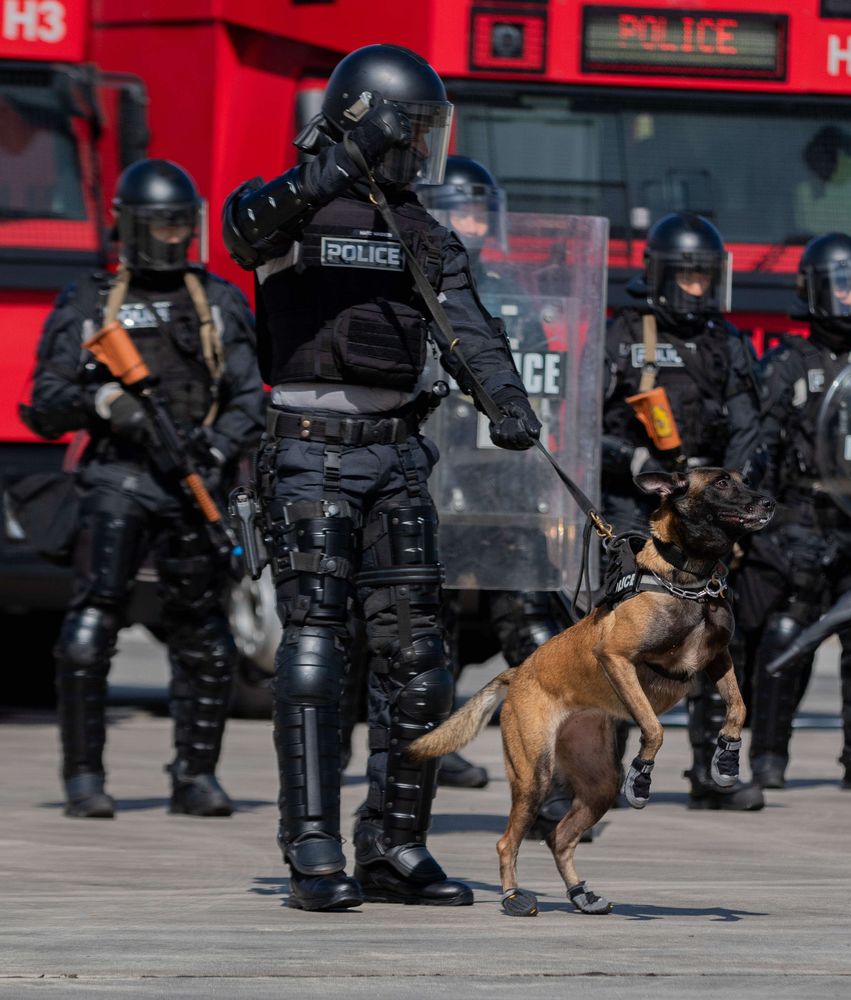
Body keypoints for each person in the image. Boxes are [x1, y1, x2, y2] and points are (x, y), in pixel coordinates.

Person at [222, 44, 538, 911]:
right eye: (414, 132)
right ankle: (313, 848)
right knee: (317, 653)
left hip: (398, 456)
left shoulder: (420, 230)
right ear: (374, 123)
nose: (423, 151)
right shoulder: (289, 212)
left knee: (422, 666)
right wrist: (332, 168)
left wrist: (508, 403)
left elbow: (470, 330)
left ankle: (393, 845)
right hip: (311, 454)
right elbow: (243, 227)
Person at [22, 158, 263, 819]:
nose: (166, 238)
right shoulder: (91, 301)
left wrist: (212, 450)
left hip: (195, 484)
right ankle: (83, 775)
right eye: (154, 226)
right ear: (126, 226)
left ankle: (195, 775)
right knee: (91, 625)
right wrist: (107, 402)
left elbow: (248, 399)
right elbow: (44, 402)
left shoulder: (217, 302)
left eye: (177, 226)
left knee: (206, 636)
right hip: (119, 479)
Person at [741, 232, 851, 794]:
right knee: (786, 634)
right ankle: (768, 756)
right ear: (815, 290)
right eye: (839, 284)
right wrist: (757, 526)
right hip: (800, 519)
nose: (850, 295)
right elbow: (760, 445)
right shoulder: (787, 365)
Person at [600, 211, 764, 811]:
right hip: (638, 508)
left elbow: (750, 427)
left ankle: (709, 771)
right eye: (688, 276)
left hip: (710, 516)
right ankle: (605, 775)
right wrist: (633, 456)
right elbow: (584, 426)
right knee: (626, 641)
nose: (698, 288)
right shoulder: (624, 336)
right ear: (662, 277)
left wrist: (734, 495)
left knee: (712, 635)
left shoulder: (729, 343)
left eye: (706, 277)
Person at [417, 154, 562, 792]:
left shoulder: (511, 288)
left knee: (531, 619)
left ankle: (551, 769)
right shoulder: (420, 275)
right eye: (462, 210)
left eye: (481, 211)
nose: (473, 223)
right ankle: (427, 743)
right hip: (440, 473)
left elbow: (540, 371)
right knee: (428, 619)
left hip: (503, 479)